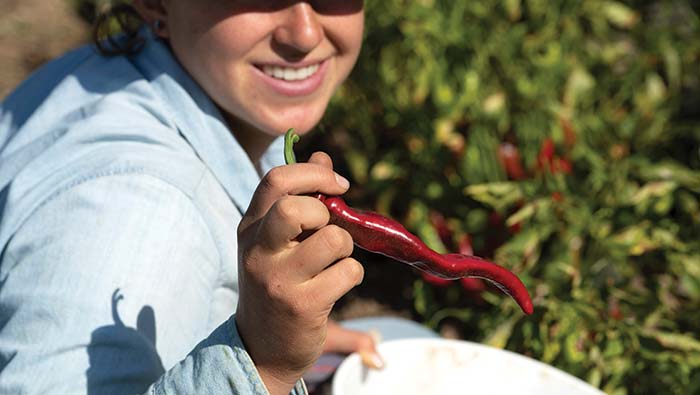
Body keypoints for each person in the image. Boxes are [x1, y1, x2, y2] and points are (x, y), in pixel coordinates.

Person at [0, 1, 436, 394]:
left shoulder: (125, 71)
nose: (304, 33)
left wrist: (266, 324)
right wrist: (260, 361)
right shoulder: (141, 210)